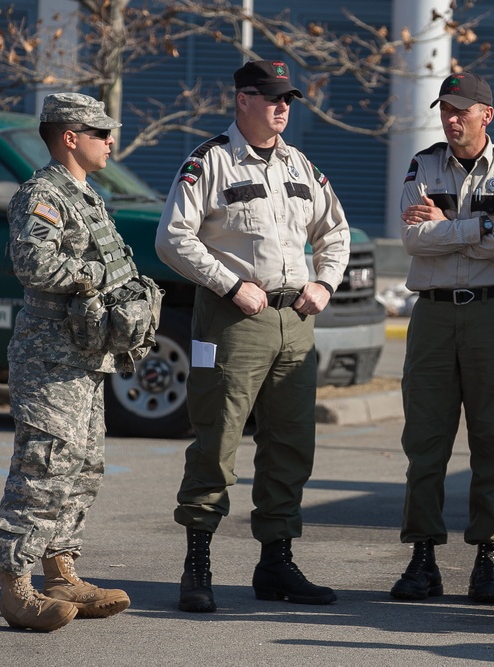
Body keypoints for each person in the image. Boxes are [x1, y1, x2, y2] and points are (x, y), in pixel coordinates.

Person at [155, 59, 350, 613]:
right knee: (217, 440)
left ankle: (276, 564)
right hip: (233, 320)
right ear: (242, 99)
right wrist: (229, 283)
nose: (282, 107)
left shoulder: (299, 164)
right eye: (271, 97)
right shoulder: (210, 161)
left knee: (290, 445)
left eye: (287, 98)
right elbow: (172, 238)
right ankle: (198, 563)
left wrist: (326, 282)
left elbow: (333, 229)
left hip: (295, 322)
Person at [0, 92, 162, 631]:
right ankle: (16, 588)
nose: (111, 142)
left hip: (87, 357)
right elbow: (32, 260)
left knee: (81, 469)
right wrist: (96, 280)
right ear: (71, 137)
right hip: (50, 358)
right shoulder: (42, 194)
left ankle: (61, 573)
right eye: (101, 134)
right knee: (41, 469)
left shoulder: (87, 196)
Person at [390, 72, 494, 604]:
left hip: (490, 315)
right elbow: (411, 237)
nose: (451, 119)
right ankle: (422, 557)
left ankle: (486, 560)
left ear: (485, 115)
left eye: (460, 110)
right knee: (425, 440)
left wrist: (451, 225)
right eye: (445, 110)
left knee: (492, 438)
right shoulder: (423, 164)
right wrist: (481, 228)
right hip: (431, 316)